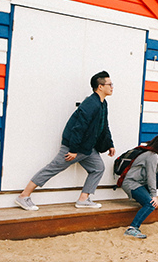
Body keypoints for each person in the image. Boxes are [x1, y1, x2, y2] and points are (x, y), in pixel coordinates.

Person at [15, 71, 116, 210]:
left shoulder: (103, 104)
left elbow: (104, 125)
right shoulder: (90, 104)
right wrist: (73, 150)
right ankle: (23, 196)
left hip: (87, 147)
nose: (112, 87)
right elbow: (78, 128)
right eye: (110, 84)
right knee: (52, 168)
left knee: (98, 168)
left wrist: (110, 144)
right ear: (100, 87)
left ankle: (83, 199)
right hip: (74, 147)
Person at [121, 133, 158, 239]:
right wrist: (154, 196)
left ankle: (144, 196)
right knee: (150, 204)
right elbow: (151, 177)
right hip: (132, 183)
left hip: (140, 183)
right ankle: (132, 228)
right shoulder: (152, 156)